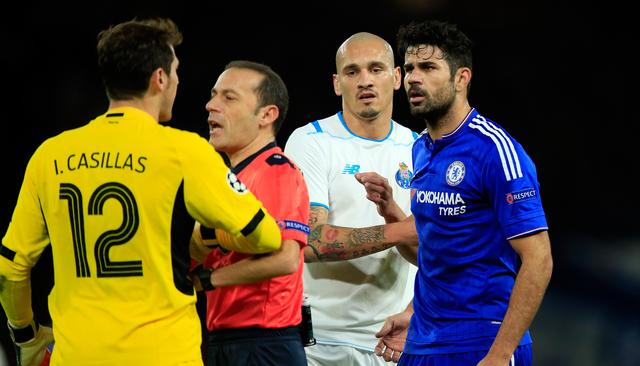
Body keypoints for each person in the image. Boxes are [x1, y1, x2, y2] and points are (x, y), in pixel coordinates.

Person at [0, 18, 282, 366]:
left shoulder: (50, 155)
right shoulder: (184, 151)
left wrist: (25, 334)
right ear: (159, 78)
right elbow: (266, 236)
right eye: (176, 70)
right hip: (163, 354)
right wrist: (205, 235)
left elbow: (11, 266)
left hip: (77, 355)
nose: (179, 81)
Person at [372, 19, 553, 365]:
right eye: (409, 68)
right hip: (423, 341)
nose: (413, 77)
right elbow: (435, 251)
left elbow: (539, 259)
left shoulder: (496, 151)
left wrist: (500, 354)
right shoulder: (420, 149)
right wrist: (394, 215)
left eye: (428, 67)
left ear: (461, 78)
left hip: (482, 339)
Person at [284, 32, 419, 366]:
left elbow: (430, 253)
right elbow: (310, 241)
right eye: (352, 71)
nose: (365, 81)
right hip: (317, 345)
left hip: (392, 341)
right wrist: (399, 230)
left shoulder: (421, 149)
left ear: (397, 77)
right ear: (336, 83)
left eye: (376, 69)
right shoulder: (310, 141)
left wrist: (417, 312)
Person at [188, 60, 310, 366]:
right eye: (214, 95)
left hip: (264, 343)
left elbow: (286, 258)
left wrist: (210, 280)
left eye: (229, 98)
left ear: (267, 115)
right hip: (227, 339)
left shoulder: (275, 171)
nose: (210, 105)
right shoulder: (226, 178)